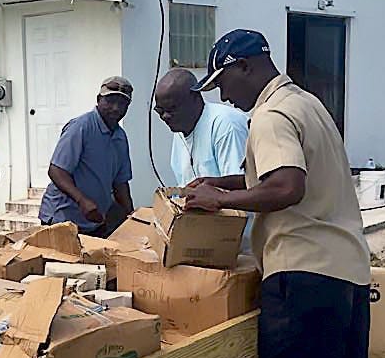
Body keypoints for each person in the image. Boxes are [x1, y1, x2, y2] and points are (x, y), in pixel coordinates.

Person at [184, 30, 385, 358]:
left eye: (224, 82)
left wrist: (221, 200)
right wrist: (222, 180)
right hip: (347, 265)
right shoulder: (304, 102)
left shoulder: (269, 115)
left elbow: (287, 185)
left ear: (246, 68)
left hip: (302, 266)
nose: (223, 95)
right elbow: (286, 171)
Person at [154, 67, 252, 251]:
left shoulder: (225, 125)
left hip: (239, 247)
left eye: (172, 109)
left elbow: (244, 186)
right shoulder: (180, 130)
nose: (166, 117)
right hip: (204, 240)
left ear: (195, 97)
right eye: (160, 111)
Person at [38, 76, 134, 236]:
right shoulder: (81, 127)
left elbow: (121, 183)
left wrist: (132, 216)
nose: (116, 108)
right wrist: (82, 200)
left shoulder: (120, 137)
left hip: (94, 222)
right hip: (61, 220)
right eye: (110, 101)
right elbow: (56, 171)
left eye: (122, 103)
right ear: (98, 100)